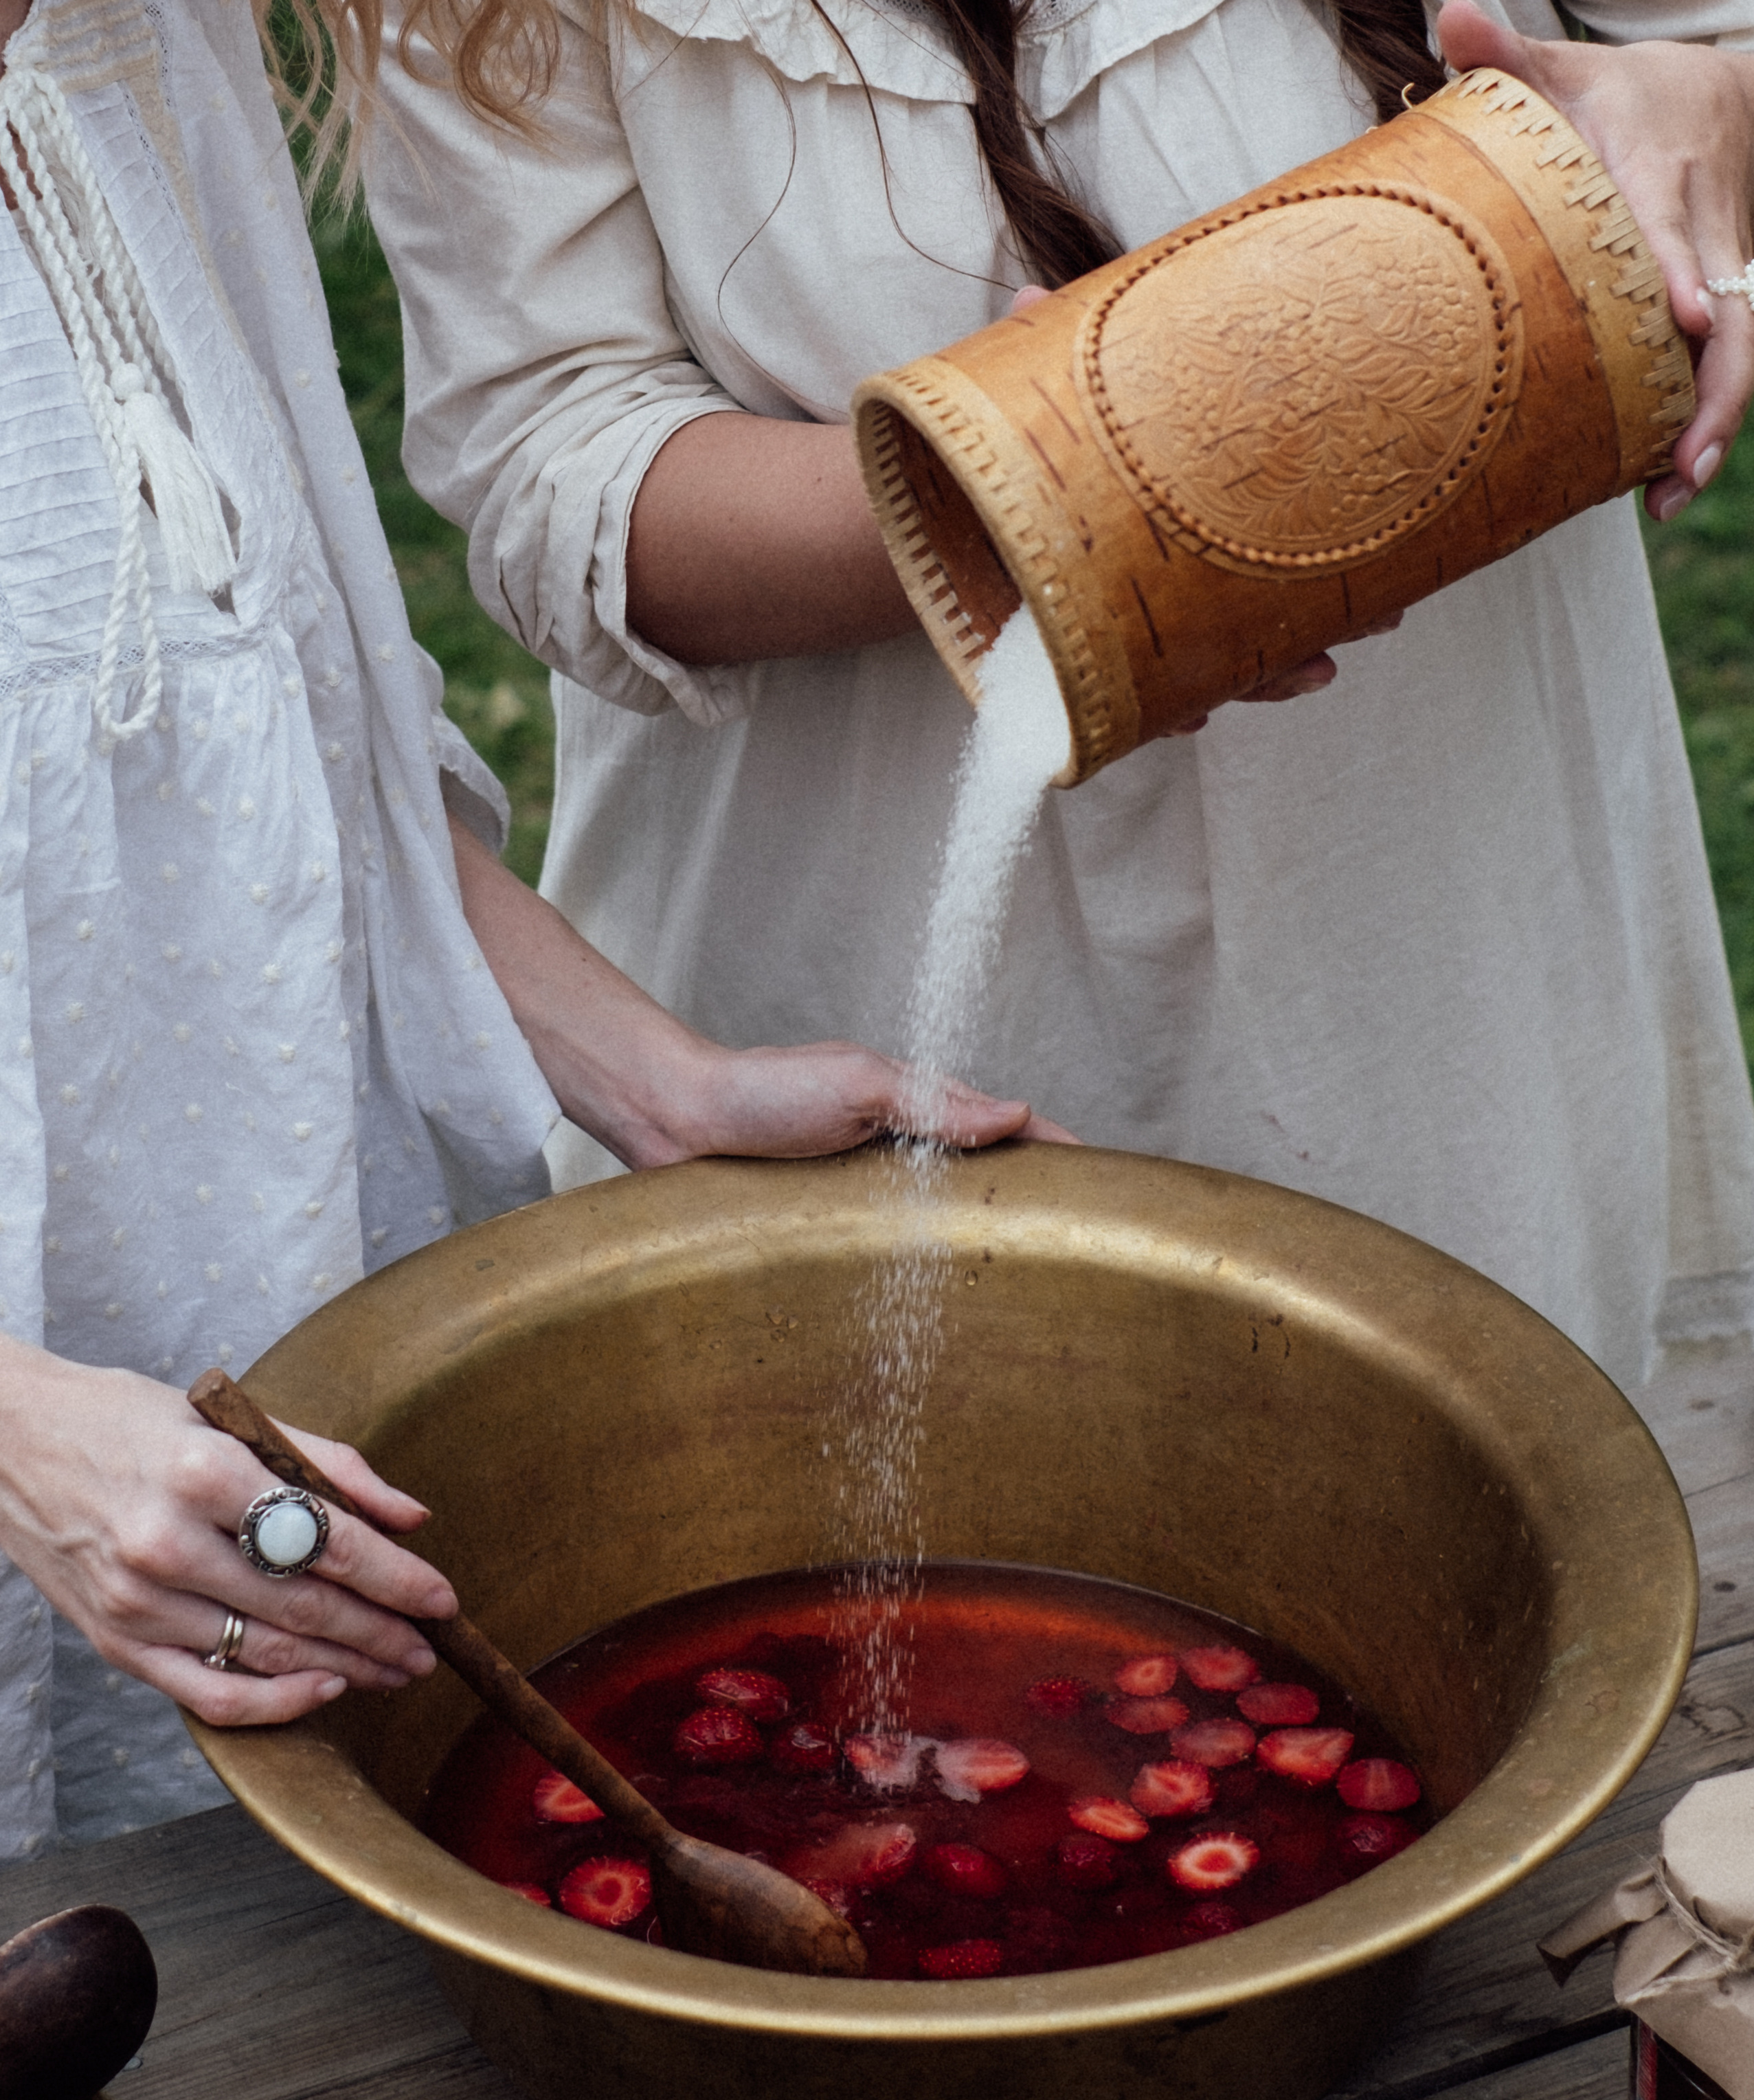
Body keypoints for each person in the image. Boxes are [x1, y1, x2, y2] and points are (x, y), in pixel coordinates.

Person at [0, 0, 1063, 1860]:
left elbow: (275, 737)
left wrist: (656, 1081)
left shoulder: (137, 34)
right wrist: (24, 1438)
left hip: (262, 1412)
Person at [366, 0, 1754, 1416]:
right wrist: (1049, 496)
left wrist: (1712, 109)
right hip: (856, 978)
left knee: (1460, 1457)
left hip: (1420, 947)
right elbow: (544, 456)